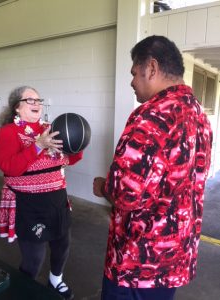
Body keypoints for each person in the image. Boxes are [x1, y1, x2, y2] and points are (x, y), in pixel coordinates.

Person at [93, 35, 213, 300]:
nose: (132, 82)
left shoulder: (150, 116)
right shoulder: (199, 116)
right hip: (174, 258)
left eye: (135, 73)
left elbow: (125, 194)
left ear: (152, 68)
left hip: (136, 265)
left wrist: (102, 187)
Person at [0, 86, 82, 300]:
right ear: (17, 107)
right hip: (29, 204)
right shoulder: (8, 132)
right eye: (30, 100)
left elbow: (70, 158)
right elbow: (8, 166)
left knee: (62, 244)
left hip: (57, 201)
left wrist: (78, 142)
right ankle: (24, 290)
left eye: (38, 100)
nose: (37, 104)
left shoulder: (50, 127)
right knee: (34, 258)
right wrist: (37, 145)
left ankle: (56, 280)